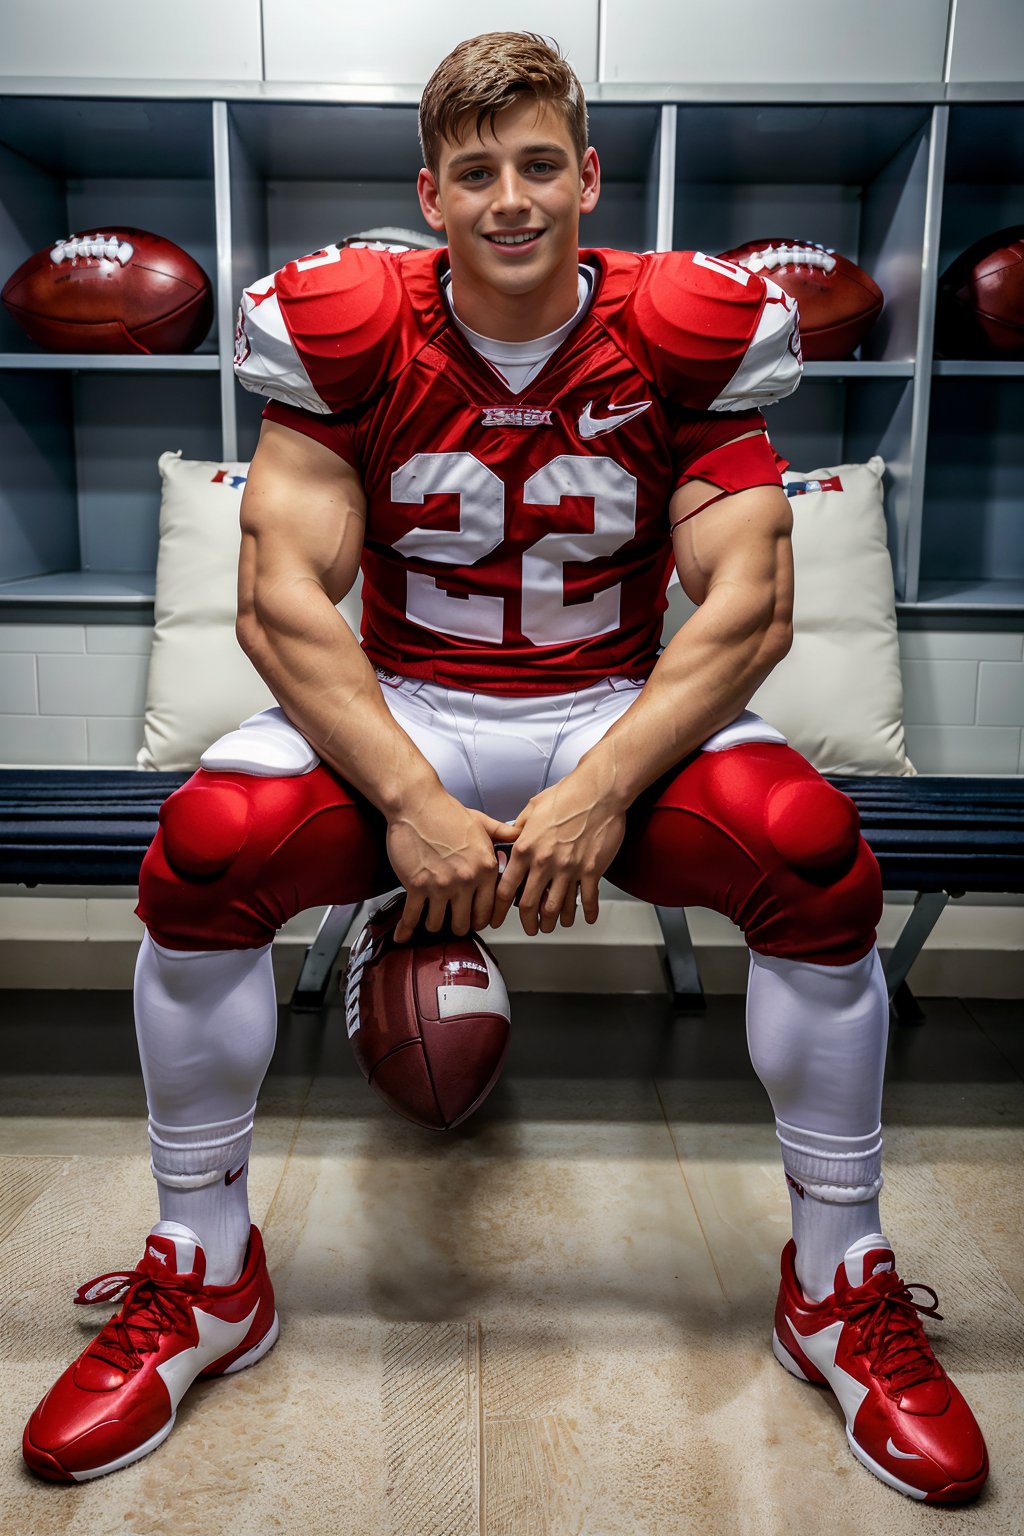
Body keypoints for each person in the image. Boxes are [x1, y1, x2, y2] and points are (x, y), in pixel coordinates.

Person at [22, 32, 987, 1505]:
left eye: (541, 164)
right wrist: (409, 797)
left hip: (611, 703)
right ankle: (204, 1271)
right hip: (409, 703)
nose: (514, 198)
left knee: (808, 848)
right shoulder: (349, 322)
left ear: (589, 175)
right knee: (206, 848)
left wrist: (601, 789)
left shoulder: (688, 323)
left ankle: (836, 1277)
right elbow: (283, 596)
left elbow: (749, 605)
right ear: (432, 193)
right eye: (478, 173)